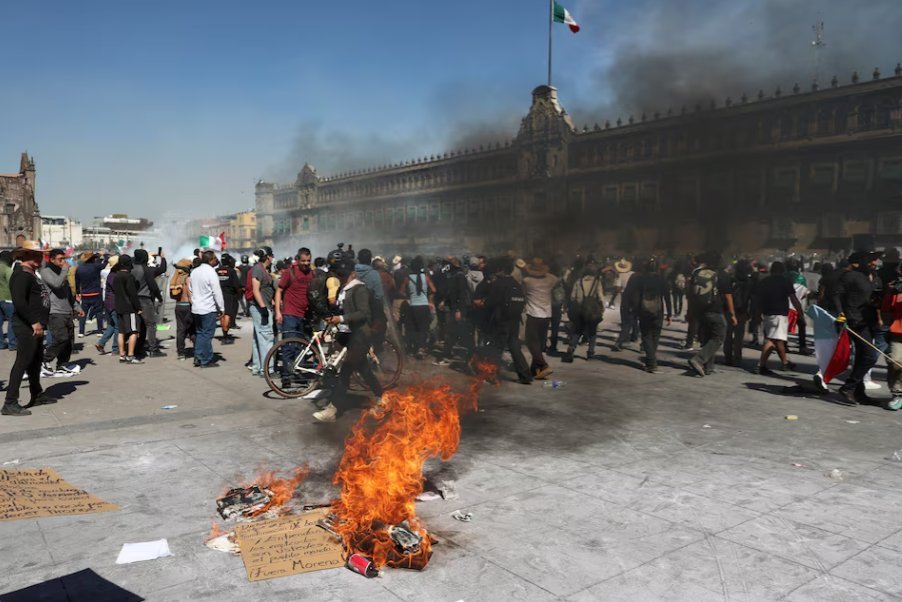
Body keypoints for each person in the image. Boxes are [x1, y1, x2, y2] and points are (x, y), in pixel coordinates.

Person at [313, 259, 383, 422]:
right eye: (338, 274)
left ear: (353, 273)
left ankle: (332, 409)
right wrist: (334, 320)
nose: (341, 277)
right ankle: (381, 397)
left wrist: (341, 318)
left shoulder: (359, 289)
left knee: (345, 371)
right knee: (364, 370)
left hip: (360, 336)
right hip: (349, 335)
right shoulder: (345, 289)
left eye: (343, 274)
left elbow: (363, 313)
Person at [3, 242, 54, 416]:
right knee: (23, 362)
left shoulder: (32, 273)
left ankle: (36, 393)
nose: (40, 258)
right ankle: (10, 402)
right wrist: (34, 322)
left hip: (36, 325)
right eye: (37, 254)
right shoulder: (22, 275)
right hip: (27, 326)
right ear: (25, 256)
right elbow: (19, 302)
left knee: (35, 361)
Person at [832, 250, 882, 405]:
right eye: (871, 260)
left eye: (875, 260)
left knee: (861, 356)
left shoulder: (872, 277)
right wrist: (841, 315)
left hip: (868, 320)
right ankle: (848, 387)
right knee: (870, 356)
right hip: (855, 321)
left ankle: (860, 394)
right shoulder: (849, 276)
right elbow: (835, 295)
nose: (875, 263)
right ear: (860, 261)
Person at [687, 252, 736, 377]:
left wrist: (690, 311)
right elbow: (728, 296)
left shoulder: (696, 273)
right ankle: (698, 360)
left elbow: (690, 293)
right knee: (718, 337)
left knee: (708, 339)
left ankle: (708, 367)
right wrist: (732, 314)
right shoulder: (722, 275)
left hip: (699, 311)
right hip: (714, 310)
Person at [485, 256, 532, 383]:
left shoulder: (498, 284)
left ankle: (492, 376)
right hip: (514, 320)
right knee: (515, 347)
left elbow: (489, 304)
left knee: (496, 348)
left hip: (502, 321)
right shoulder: (515, 283)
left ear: (501, 270)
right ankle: (525, 375)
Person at [754, 262, 804, 376]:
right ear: (782, 270)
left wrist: (757, 314)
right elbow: (793, 298)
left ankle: (785, 362)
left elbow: (759, 300)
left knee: (777, 339)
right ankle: (761, 366)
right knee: (772, 339)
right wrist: (800, 312)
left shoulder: (764, 282)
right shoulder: (785, 282)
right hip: (780, 314)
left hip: (767, 314)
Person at [40, 249, 84, 377]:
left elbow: (68, 294)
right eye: (60, 259)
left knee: (69, 341)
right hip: (55, 311)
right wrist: (65, 270)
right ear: (52, 259)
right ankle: (45, 360)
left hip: (67, 311)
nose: (63, 262)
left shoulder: (62, 273)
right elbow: (56, 285)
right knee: (61, 338)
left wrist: (77, 307)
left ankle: (62, 365)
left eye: (64, 259)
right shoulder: (46, 272)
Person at [275, 247, 314, 388]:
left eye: (308, 261)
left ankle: (298, 373)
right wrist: (278, 312)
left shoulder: (311, 274)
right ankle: (286, 376)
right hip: (290, 314)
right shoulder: (289, 273)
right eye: (303, 261)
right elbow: (279, 291)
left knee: (301, 347)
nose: (306, 263)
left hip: (304, 315)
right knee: (288, 347)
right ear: (297, 260)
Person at [633, 257, 673, 373]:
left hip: (643, 311)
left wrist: (635, 311)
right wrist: (669, 314)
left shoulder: (641, 279)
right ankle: (651, 359)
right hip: (658, 311)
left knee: (646, 335)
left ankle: (651, 362)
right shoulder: (662, 280)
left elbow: (636, 297)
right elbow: (667, 298)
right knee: (655, 335)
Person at [562, 258, 605, 363]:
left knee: (578, 330)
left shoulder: (578, 281)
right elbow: (600, 297)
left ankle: (571, 348)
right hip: (592, 311)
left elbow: (572, 297)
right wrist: (602, 309)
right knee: (592, 332)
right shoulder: (597, 282)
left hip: (580, 310)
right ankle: (590, 353)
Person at [522, 258, 558, 379]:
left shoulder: (527, 281)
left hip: (533, 314)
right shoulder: (551, 279)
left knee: (531, 341)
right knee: (539, 342)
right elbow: (556, 280)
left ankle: (544, 365)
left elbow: (523, 294)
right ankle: (534, 369)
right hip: (547, 314)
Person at [190, 250, 224, 368]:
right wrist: (222, 308)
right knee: (207, 334)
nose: (216, 261)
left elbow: (190, 288)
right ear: (210, 260)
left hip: (196, 308)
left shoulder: (194, 271)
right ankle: (206, 359)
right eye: (215, 258)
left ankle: (198, 357)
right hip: (208, 308)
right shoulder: (211, 272)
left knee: (200, 333)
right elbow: (217, 292)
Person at [132, 249, 167, 358]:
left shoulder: (131, 268)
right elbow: (162, 269)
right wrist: (163, 257)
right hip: (145, 299)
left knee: (139, 326)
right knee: (151, 325)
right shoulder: (147, 270)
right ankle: (153, 349)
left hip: (133, 300)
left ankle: (138, 348)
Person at [247, 247, 275, 376]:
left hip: (261, 307)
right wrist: (263, 307)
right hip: (260, 308)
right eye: (272, 256)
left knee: (258, 338)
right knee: (266, 338)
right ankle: (267, 369)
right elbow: (255, 289)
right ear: (268, 257)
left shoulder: (262, 269)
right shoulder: (258, 269)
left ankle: (257, 367)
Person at [401, 256, 435, 358]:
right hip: (424, 306)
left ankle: (413, 348)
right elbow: (434, 290)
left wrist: (409, 296)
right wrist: (430, 300)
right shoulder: (426, 278)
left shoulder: (408, 278)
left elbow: (401, 291)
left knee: (413, 328)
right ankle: (421, 348)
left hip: (413, 307)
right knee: (423, 328)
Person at [113, 255, 144, 364]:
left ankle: (122, 355)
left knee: (121, 332)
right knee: (134, 331)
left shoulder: (116, 276)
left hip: (119, 307)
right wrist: (138, 307)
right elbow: (132, 294)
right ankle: (131, 355)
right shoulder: (128, 276)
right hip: (129, 308)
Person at [880, 261, 902, 411]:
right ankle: (897, 393)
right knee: (895, 362)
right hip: (897, 332)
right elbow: (886, 309)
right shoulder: (895, 289)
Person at [724, 259, 754, 367]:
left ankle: (728, 357)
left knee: (728, 335)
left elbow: (727, 296)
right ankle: (737, 358)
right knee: (739, 337)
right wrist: (750, 313)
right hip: (742, 311)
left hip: (729, 310)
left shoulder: (730, 280)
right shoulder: (749, 282)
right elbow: (751, 299)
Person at [75, 251, 107, 337]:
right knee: (99, 312)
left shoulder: (79, 268)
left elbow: (77, 282)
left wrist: (78, 292)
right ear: (93, 258)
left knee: (83, 313)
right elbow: (106, 263)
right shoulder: (96, 266)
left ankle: (81, 332)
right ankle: (99, 331)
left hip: (85, 294)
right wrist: (103, 255)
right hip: (96, 293)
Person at [169, 258, 194, 360]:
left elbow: (172, 295)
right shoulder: (188, 278)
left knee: (180, 330)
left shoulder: (176, 279)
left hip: (178, 306)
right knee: (193, 329)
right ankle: (197, 351)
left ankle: (181, 353)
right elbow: (190, 293)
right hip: (188, 306)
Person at [95, 255, 120, 356]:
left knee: (112, 325)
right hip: (113, 303)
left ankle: (101, 343)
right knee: (118, 326)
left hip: (108, 302)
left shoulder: (108, 273)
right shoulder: (113, 275)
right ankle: (115, 348)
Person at [216, 253, 242, 344]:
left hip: (218, 294)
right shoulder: (231, 271)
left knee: (221, 314)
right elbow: (236, 285)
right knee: (227, 314)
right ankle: (226, 336)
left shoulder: (216, 270)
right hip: (229, 295)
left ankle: (224, 334)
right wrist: (239, 294)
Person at [0, 250, 17, 351]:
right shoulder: (7, 269)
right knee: (12, 320)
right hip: (7, 299)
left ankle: (1, 343)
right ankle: (12, 343)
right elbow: (13, 284)